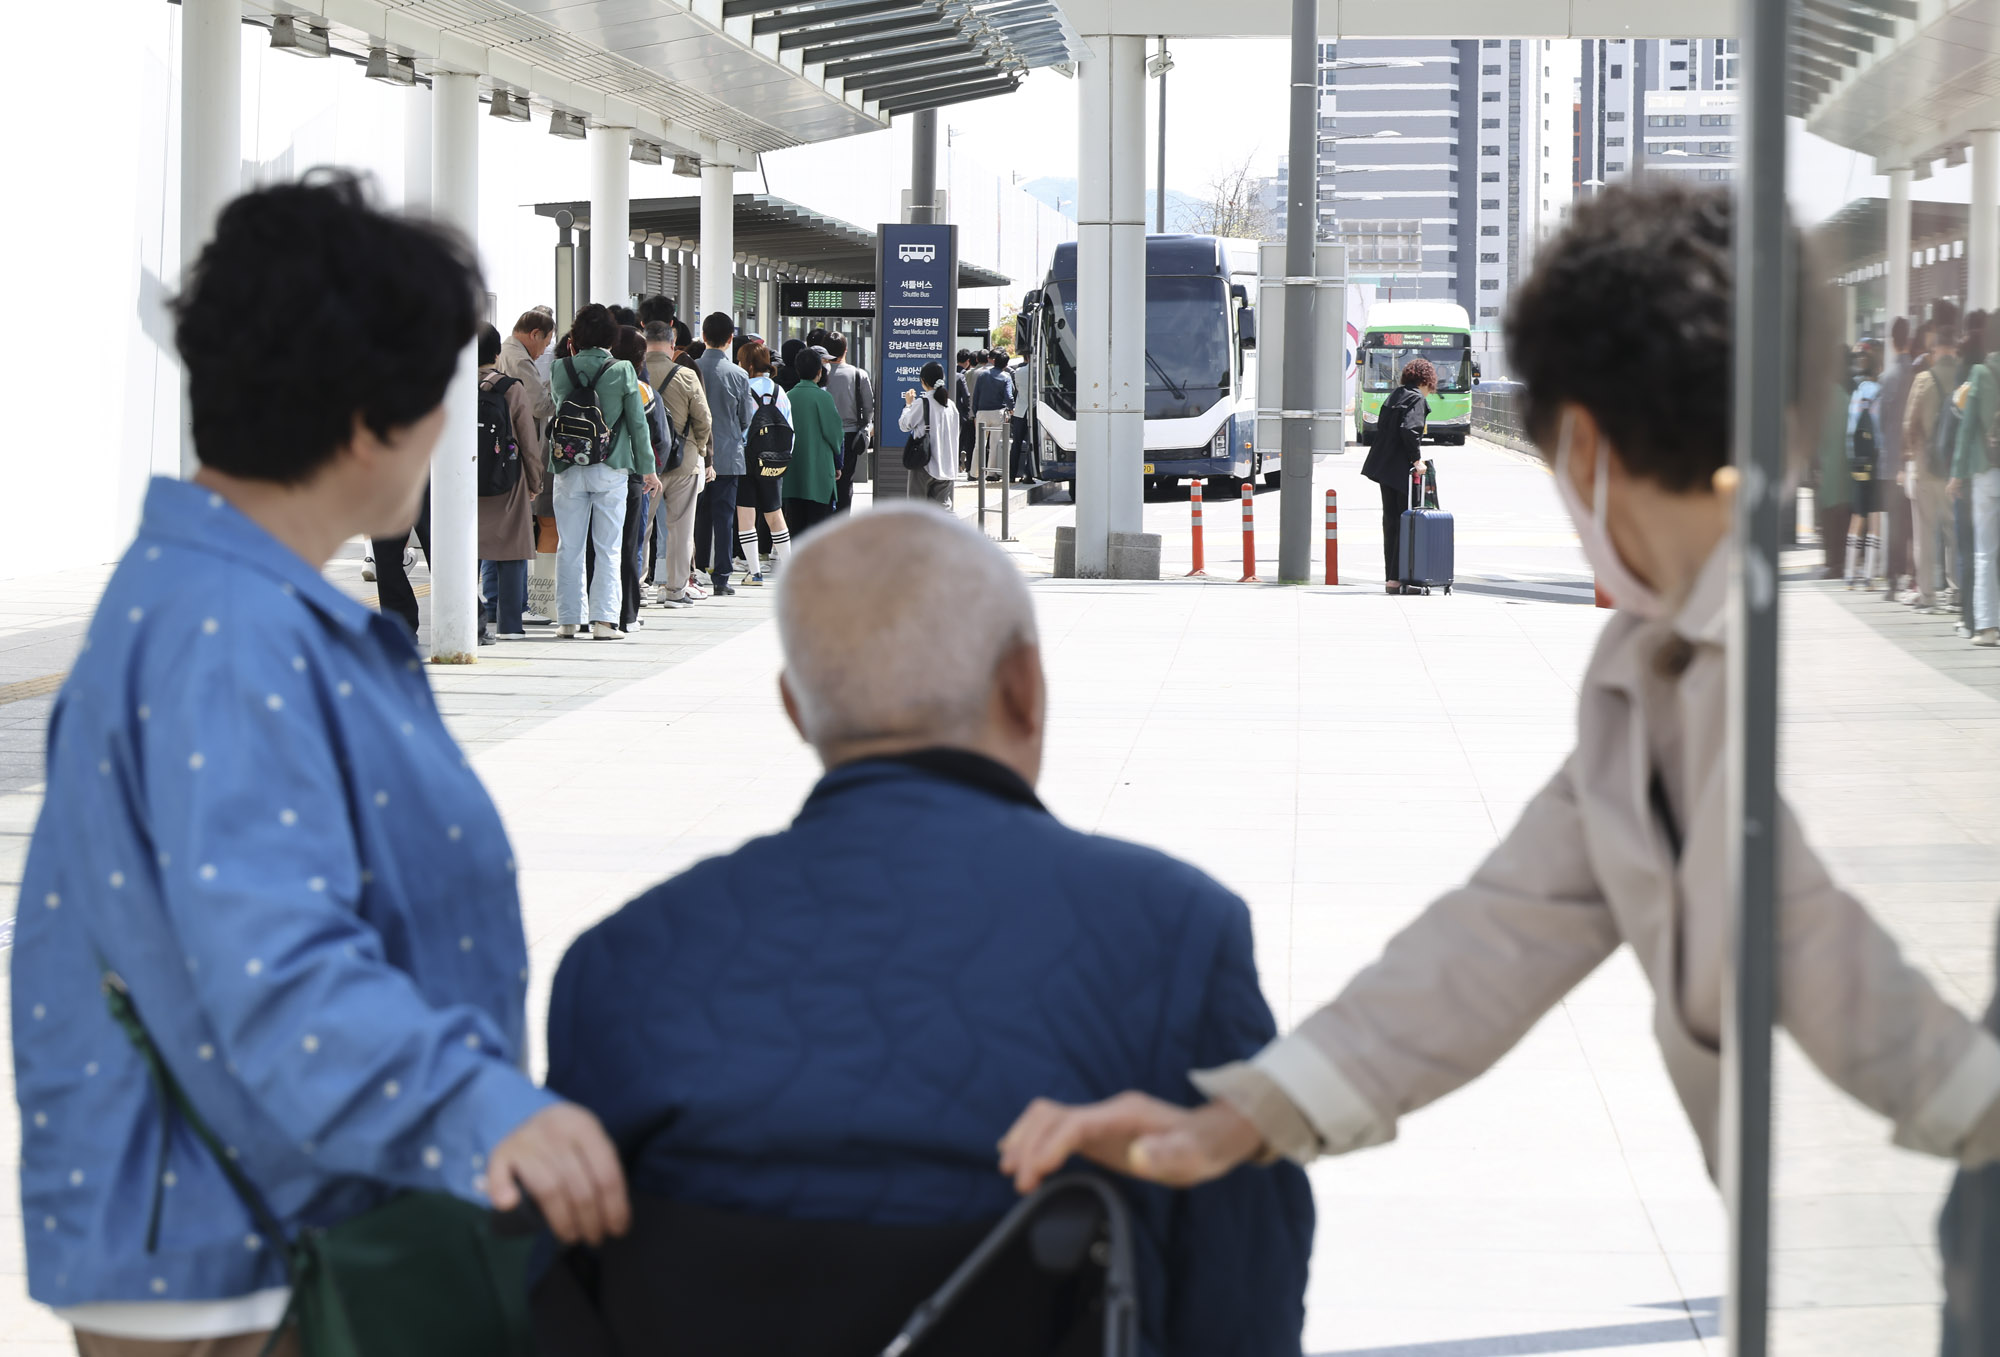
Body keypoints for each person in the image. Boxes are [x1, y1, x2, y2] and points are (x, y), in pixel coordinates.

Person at [997, 181, 2000, 1213]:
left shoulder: (1726, 665)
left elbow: (1817, 954)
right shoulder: (1654, 668)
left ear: (1579, 446)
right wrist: (1234, 1118)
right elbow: (1495, 935)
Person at [11, 175, 630, 1357]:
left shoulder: (214, 602)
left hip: (236, 1225)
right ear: (362, 422)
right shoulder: (231, 635)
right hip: (242, 1257)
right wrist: (483, 1106)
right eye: (436, 396)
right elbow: (275, 960)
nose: (451, 426)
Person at [544, 505, 1313, 1355]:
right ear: (1024, 686)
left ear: (797, 708)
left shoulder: (619, 961)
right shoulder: (1176, 930)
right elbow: (1244, 1289)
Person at [550, 304, 658, 640]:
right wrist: (649, 469)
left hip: (568, 466)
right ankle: (604, 622)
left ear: (575, 336)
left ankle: (568, 620)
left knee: (569, 546)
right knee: (608, 546)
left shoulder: (560, 368)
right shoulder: (623, 369)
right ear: (611, 336)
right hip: (610, 468)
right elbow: (638, 424)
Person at [477, 322, 545, 642]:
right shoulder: (510, 388)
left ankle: (468, 619)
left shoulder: (449, 386)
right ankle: (509, 625)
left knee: (467, 552)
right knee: (511, 551)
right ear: (495, 352)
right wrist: (534, 482)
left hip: (462, 484)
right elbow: (528, 444)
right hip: (506, 481)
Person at [642, 321, 713, 609]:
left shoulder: (634, 373)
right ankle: (675, 589)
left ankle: (638, 586)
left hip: (646, 461)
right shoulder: (685, 375)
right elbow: (704, 418)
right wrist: (696, 447)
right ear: (672, 344)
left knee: (642, 528)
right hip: (684, 462)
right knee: (681, 528)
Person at [1360, 358, 1435, 594]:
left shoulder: (1394, 395)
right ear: (1426, 381)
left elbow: (1383, 427)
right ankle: (1401, 577)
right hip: (1402, 469)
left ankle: (1392, 578)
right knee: (1406, 523)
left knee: (1390, 522)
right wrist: (1416, 460)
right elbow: (1410, 429)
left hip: (1383, 467)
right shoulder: (1417, 399)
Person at [1905, 306, 1962, 613]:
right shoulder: (1967, 376)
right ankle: (1956, 594)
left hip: (1926, 469)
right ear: (1955, 348)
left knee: (1924, 535)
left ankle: (1927, 595)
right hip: (1955, 469)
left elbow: (1908, 424)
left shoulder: (1924, 379)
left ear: (1937, 349)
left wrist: (1911, 458)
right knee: (1954, 533)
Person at [696, 312, 754, 596]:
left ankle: (696, 573)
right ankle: (721, 576)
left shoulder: (689, 369)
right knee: (724, 516)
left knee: (698, 515)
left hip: (696, 456)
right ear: (730, 340)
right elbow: (746, 418)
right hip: (729, 455)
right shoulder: (739, 374)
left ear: (703, 336)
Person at [1952, 320, 2000, 647]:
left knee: (1985, 552)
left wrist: (1957, 473)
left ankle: (1986, 627)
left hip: (1986, 472)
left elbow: (1966, 427)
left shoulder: (1981, 373)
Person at [608, 325, 659, 632]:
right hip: (630, 476)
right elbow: (653, 435)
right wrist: (650, 470)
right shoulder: (640, 388)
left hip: (585, 470)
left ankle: (585, 613)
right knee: (628, 546)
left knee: (592, 546)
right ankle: (627, 613)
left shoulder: (588, 377)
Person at [736, 341, 795, 584]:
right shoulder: (780, 391)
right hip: (774, 457)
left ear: (748, 364)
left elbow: (738, 424)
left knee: (746, 514)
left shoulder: (742, 388)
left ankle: (755, 572)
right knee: (775, 513)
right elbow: (790, 427)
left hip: (748, 455)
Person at [781, 348, 843, 538]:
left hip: (792, 474)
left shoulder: (787, 396)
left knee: (796, 526)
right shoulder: (824, 398)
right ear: (819, 372)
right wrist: (838, 464)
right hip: (819, 474)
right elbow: (835, 436)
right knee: (818, 529)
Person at [1878, 317, 1917, 602]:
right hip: (1913, 460)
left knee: (1894, 523)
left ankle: (1892, 581)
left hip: (1891, 462)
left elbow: (1881, 422)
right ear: (1909, 340)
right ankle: (1914, 577)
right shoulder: (1917, 374)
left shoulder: (1887, 378)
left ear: (1892, 342)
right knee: (1913, 523)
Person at [1844, 344, 1884, 588]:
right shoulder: (1879, 391)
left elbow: (1850, 430)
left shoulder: (1857, 394)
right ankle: (1869, 574)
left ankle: (1849, 573)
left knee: (1857, 514)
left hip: (1858, 461)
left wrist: (1852, 458)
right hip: (1876, 460)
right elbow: (1880, 431)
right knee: (1876, 513)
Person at [822, 333, 873, 513]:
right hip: (849, 436)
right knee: (845, 485)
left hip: (823, 435)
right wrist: (866, 429)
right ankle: (842, 525)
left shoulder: (819, 373)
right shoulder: (858, 374)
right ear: (845, 350)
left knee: (823, 484)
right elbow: (868, 409)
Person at [900, 361, 958, 508]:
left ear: (923, 381)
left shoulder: (923, 402)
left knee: (917, 511)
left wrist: (908, 405)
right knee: (942, 513)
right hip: (946, 466)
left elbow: (904, 425)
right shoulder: (951, 405)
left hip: (924, 465)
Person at [970, 348, 1016, 484]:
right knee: (994, 444)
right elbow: (1009, 396)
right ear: (1006, 365)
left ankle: (974, 472)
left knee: (979, 443)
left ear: (994, 361)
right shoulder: (1006, 377)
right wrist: (1012, 408)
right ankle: (991, 473)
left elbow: (976, 395)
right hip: (998, 412)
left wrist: (975, 412)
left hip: (982, 412)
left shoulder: (982, 375)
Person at [955, 349, 978, 475]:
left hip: (950, 411)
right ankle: (961, 464)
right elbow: (967, 396)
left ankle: (956, 463)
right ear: (968, 361)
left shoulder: (950, 372)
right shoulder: (963, 375)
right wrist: (967, 411)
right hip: (961, 414)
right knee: (963, 439)